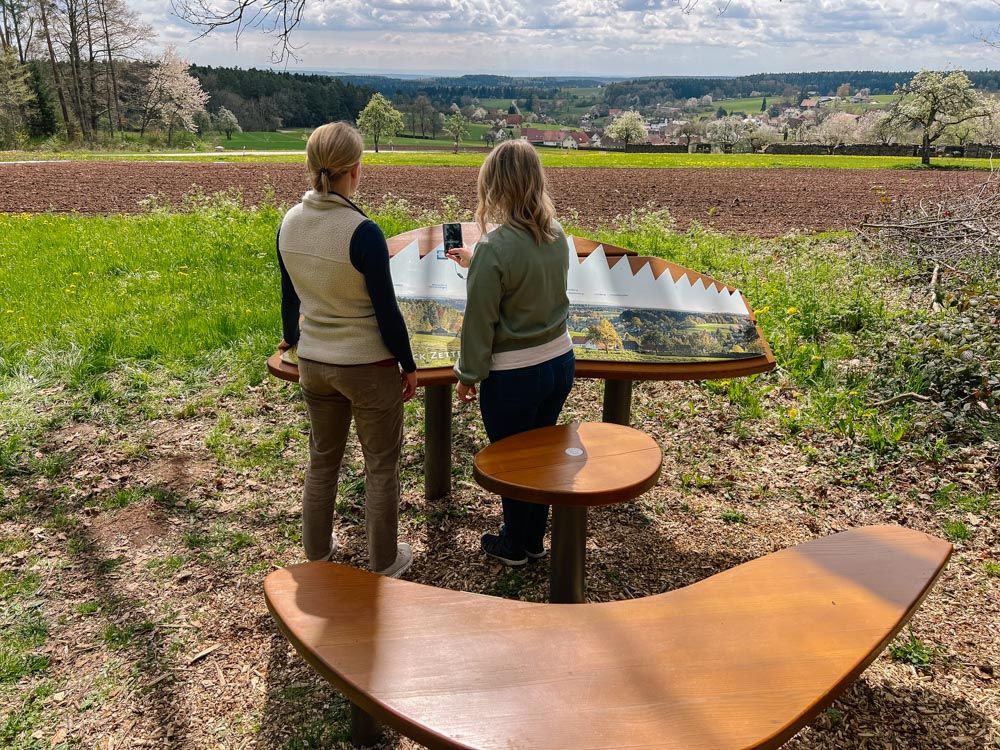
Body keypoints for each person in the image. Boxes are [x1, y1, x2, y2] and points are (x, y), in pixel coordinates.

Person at [277, 122, 418, 578]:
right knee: (380, 468)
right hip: (367, 367)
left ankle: (317, 553)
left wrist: (293, 339)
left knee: (323, 458)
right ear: (355, 170)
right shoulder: (363, 232)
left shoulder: (289, 223)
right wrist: (408, 364)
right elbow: (386, 313)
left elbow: (290, 296)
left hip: (314, 364)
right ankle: (384, 562)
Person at [448, 139, 575, 567]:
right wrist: (475, 262)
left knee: (511, 461)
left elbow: (479, 323)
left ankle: (514, 544)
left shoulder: (494, 248)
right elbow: (529, 283)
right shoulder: (556, 235)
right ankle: (534, 539)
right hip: (558, 363)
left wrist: (468, 375)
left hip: (514, 376)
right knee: (539, 454)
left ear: (495, 188)